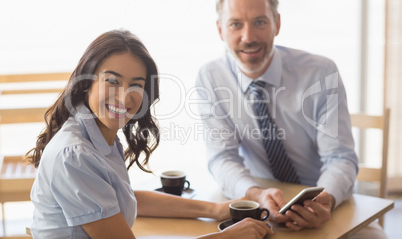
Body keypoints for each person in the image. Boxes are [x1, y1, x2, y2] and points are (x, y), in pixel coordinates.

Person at [26, 29, 272, 239]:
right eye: (112, 81)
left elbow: (124, 200)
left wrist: (217, 210)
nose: (124, 97)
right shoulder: (75, 154)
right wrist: (227, 236)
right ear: (87, 81)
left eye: (136, 85)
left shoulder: (95, 132)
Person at [195, 0, 385, 238]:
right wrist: (254, 193)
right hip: (261, 206)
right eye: (235, 24)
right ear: (220, 30)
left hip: (329, 206)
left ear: (277, 23)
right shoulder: (210, 77)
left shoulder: (321, 73)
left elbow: (340, 157)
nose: (247, 37)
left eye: (259, 22)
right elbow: (222, 157)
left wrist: (326, 198)